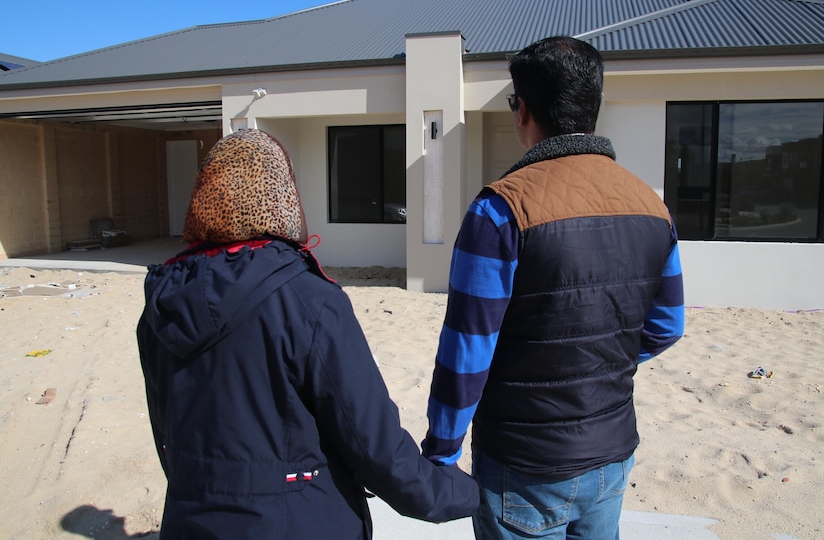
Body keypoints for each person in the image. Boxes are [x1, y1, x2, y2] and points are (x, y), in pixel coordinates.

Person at [137, 128, 478, 539]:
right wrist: (461, 492)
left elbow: (167, 440)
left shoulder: (161, 302)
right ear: (284, 199)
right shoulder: (309, 301)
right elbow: (374, 446)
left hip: (191, 522)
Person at [422, 36, 684, 540]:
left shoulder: (499, 209)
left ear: (522, 110)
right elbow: (668, 326)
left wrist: (441, 450)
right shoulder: (652, 204)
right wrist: (598, 364)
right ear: (594, 108)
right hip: (611, 453)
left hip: (523, 461)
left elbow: (467, 351)